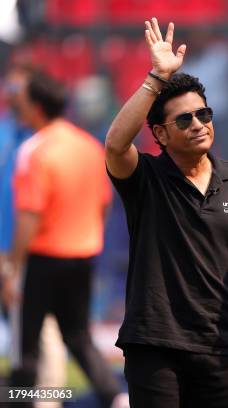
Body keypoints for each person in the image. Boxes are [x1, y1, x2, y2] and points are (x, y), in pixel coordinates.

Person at [104, 18, 228, 407]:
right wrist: (156, 78)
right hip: (154, 346)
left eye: (204, 114)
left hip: (221, 348)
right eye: (184, 120)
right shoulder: (145, 177)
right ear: (160, 135)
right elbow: (115, 145)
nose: (199, 125)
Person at [0, 69, 127, 408]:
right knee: (78, 336)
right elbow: (103, 202)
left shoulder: (34, 150)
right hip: (82, 256)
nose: (17, 107)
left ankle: (22, 401)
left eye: (22, 102)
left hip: (42, 257)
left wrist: (13, 266)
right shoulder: (88, 146)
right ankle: (116, 398)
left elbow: (29, 215)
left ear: (37, 107)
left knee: (25, 345)